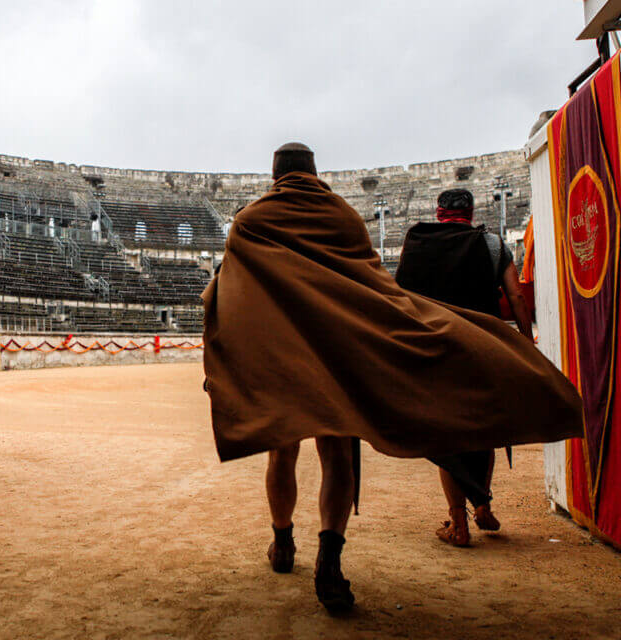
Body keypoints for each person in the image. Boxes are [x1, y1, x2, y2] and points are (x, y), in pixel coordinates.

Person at [202, 143, 582, 615]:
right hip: (340, 359)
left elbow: (225, 293)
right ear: (315, 173)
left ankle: (282, 544)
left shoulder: (252, 222)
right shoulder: (343, 218)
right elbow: (377, 288)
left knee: (283, 452)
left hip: (285, 362)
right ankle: (331, 558)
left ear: (275, 176)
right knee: (337, 453)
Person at [394, 189, 535, 547]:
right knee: (484, 430)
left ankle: (459, 524)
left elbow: (400, 297)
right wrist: (526, 342)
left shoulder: (418, 241)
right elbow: (516, 296)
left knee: (450, 436)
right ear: (470, 213)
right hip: (483, 349)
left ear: (439, 213)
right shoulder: (490, 243)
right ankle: (482, 504)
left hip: (438, 352)